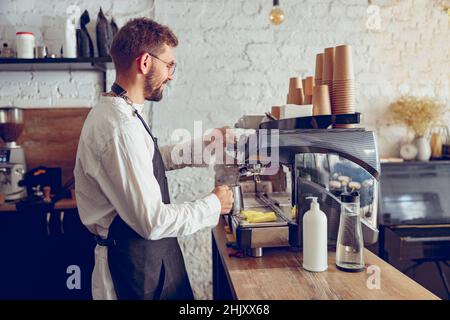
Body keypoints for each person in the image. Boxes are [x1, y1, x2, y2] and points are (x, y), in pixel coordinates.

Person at [74, 18, 234, 300]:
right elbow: (152, 221)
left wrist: (206, 145)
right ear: (146, 62)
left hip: (147, 260)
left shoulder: (123, 112)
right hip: (130, 271)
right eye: (169, 65)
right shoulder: (117, 128)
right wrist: (213, 204)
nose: (171, 75)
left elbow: (146, 159)